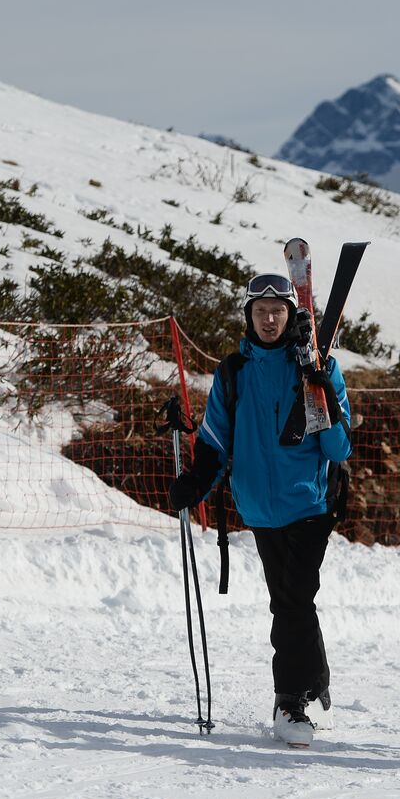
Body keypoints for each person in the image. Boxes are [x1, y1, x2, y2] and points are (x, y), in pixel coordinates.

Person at [168, 272, 352, 748]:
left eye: (278, 312)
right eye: (260, 312)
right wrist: (193, 487)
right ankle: (317, 684)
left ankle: (289, 702)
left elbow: (338, 449)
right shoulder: (233, 373)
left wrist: (320, 388)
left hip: (311, 503)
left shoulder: (320, 368)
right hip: (259, 508)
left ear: (292, 315)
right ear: (248, 316)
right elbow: (213, 443)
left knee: (291, 601)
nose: (269, 319)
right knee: (292, 603)